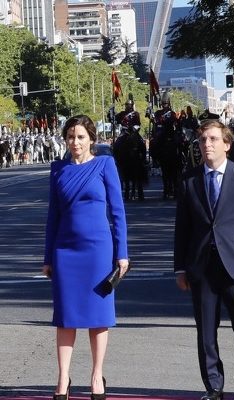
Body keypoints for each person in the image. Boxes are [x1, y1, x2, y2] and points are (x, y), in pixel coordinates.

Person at [174, 119, 234, 400]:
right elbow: (182, 228)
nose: (207, 144)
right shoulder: (189, 180)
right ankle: (213, 386)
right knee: (206, 332)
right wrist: (180, 268)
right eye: (203, 140)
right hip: (201, 266)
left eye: (213, 139)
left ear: (227, 144)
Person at [42, 115, 129, 400]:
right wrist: (48, 257)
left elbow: (117, 211)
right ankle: (62, 378)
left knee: (98, 317)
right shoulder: (58, 169)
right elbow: (52, 216)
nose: (75, 142)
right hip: (65, 251)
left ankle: (96, 376)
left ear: (91, 138)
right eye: (70, 136)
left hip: (98, 252)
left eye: (80, 136)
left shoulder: (105, 164)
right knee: (65, 317)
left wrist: (122, 253)